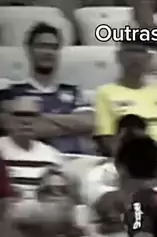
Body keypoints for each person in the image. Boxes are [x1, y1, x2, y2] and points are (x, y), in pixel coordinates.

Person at [0, 22, 93, 155]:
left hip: (74, 159)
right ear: (29, 50)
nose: (48, 52)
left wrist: (39, 117)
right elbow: (21, 129)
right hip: (31, 159)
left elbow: (89, 123)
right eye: (42, 46)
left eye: (53, 47)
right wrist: (71, 124)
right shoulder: (12, 93)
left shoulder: (74, 91)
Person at [94, 39, 157, 157]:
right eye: (130, 51)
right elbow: (107, 137)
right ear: (119, 56)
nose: (135, 57)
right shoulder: (105, 92)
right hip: (135, 155)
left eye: (140, 52)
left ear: (149, 58)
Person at [0, 96, 63, 199]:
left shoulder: (51, 154)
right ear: (6, 120)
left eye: (32, 115)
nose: (26, 121)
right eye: (18, 114)